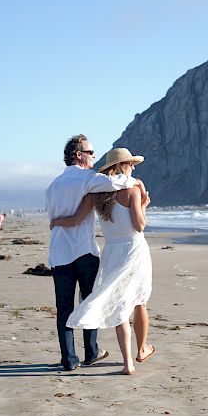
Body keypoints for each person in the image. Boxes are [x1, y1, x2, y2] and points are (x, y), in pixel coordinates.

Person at [50, 147, 154, 375]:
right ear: (123, 166)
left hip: (111, 251)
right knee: (139, 301)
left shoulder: (96, 194)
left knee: (119, 305)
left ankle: (128, 363)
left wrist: (56, 221)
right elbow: (140, 225)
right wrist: (144, 205)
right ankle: (142, 349)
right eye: (131, 164)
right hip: (134, 249)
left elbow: (76, 219)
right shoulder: (133, 190)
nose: (133, 167)